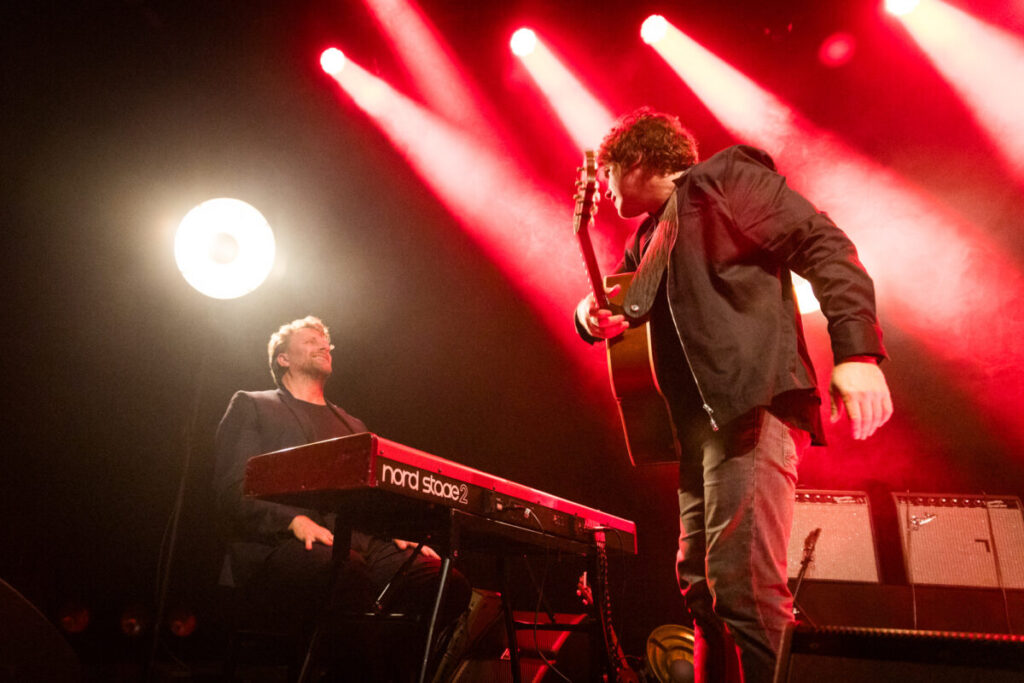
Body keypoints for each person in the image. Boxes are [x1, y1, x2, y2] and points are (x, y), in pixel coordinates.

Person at [574, 109, 893, 682]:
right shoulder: (648, 236)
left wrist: (858, 352)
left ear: (638, 159)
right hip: (702, 433)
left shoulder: (725, 180)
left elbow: (825, 245)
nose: (603, 186)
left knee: (742, 587)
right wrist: (586, 314)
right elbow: (613, 302)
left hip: (752, 403)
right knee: (701, 588)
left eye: (608, 172)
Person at [213, 315, 470, 677]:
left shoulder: (354, 427)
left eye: (326, 340)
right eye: (310, 339)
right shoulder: (252, 404)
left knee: (442, 581)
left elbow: (370, 500)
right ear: (282, 358)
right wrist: (292, 520)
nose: (323, 344)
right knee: (345, 570)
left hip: (355, 544)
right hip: (276, 545)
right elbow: (231, 487)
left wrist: (392, 528)